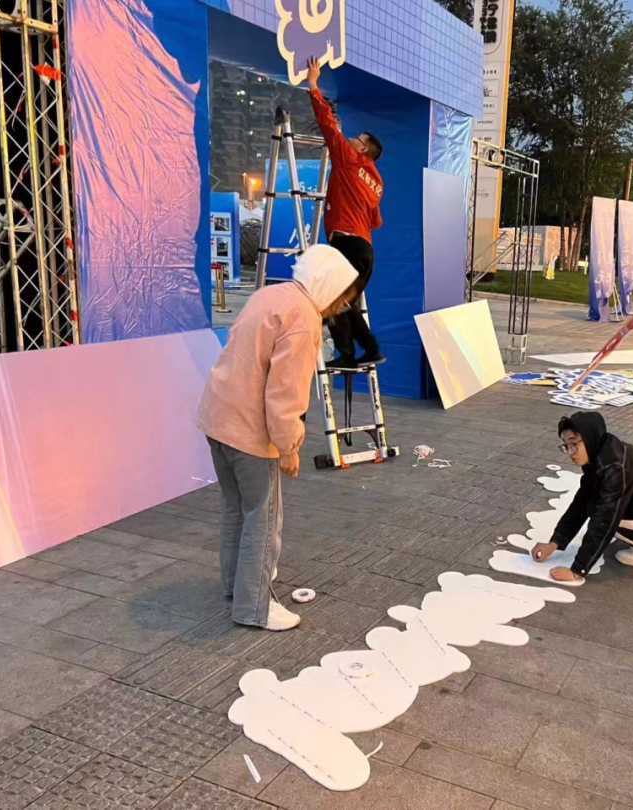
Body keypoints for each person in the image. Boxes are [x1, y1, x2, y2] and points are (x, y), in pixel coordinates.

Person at [197, 244, 358, 631]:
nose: (342, 308)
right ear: (327, 285)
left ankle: (236, 585)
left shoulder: (270, 295)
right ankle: (254, 607)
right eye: (342, 298)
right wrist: (288, 446)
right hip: (250, 430)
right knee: (263, 518)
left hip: (218, 416)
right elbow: (285, 392)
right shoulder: (303, 319)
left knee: (237, 508)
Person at [530, 412, 633, 582]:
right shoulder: (602, 453)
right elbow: (581, 501)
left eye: (574, 444)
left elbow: (605, 519)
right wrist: (555, 542)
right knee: (593, 501)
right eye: (566, 446)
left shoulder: (614, 467)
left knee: (599, 510)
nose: (570, 452)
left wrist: (578, 569)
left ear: (590, 437)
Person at [306, 56, 385, 370]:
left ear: (363, 149)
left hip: (347, 243)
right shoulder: (376, 181)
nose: (352, 139)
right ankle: (369, 350)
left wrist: (314, 85)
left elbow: (327, 126)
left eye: (357, 139)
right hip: (365, 249)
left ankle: (348, 355)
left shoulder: (350, 159)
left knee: (331, 298)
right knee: (343, 301)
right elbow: (375, 220)